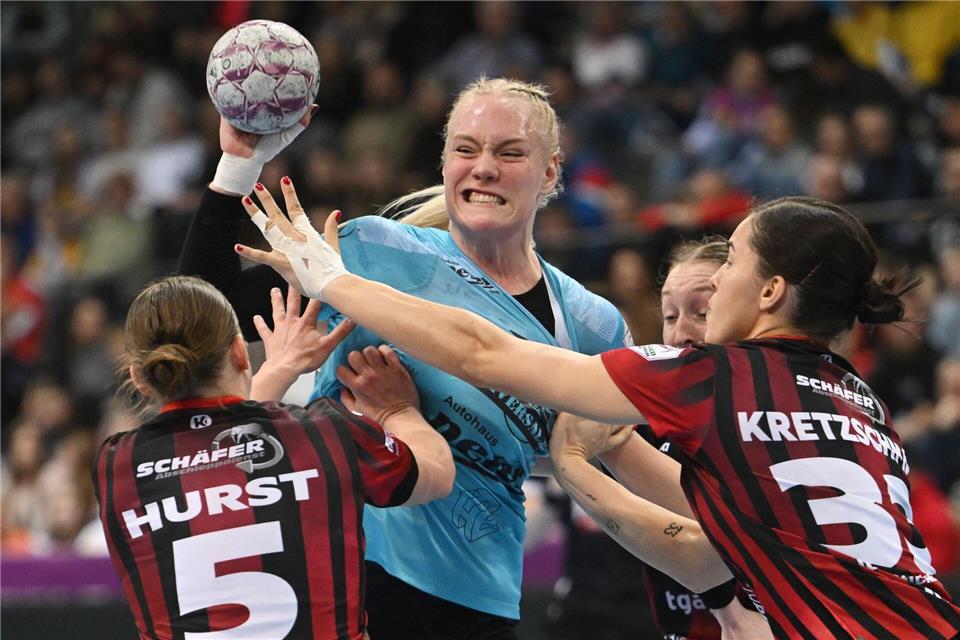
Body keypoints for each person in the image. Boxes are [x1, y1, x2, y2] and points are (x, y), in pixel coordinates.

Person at [239, 194, 960, 638]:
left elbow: (483, 351)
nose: (719, 284)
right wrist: (569, 454)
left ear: (770, 291)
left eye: (732, 263)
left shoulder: (711, 378)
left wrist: (331, 278)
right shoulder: (858, 401)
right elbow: (718, 507)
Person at [179, 78, 630, 638]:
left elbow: (608, 460)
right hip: (343, 567)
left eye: (509, 152)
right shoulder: (371, 250)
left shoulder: (592, 324)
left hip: (476, 593)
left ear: (549, 173)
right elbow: (202, 311)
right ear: (444, 165)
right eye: (466, 149)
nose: (483, 168)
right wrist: (239, 163)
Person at [93, 276, 454, 640]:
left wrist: (279, 370)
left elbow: (218, 457)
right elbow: (437, 474)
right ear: (239, 352)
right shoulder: (327, 434)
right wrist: (397, 408)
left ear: (139, 378)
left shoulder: (116, 465)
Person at [548, 238, 771, 640]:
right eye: (669, 316)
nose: (680, 334)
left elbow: (700, 545)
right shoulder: (651, 419)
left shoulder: (772, 419)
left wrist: (574, 461)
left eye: (702, 313)